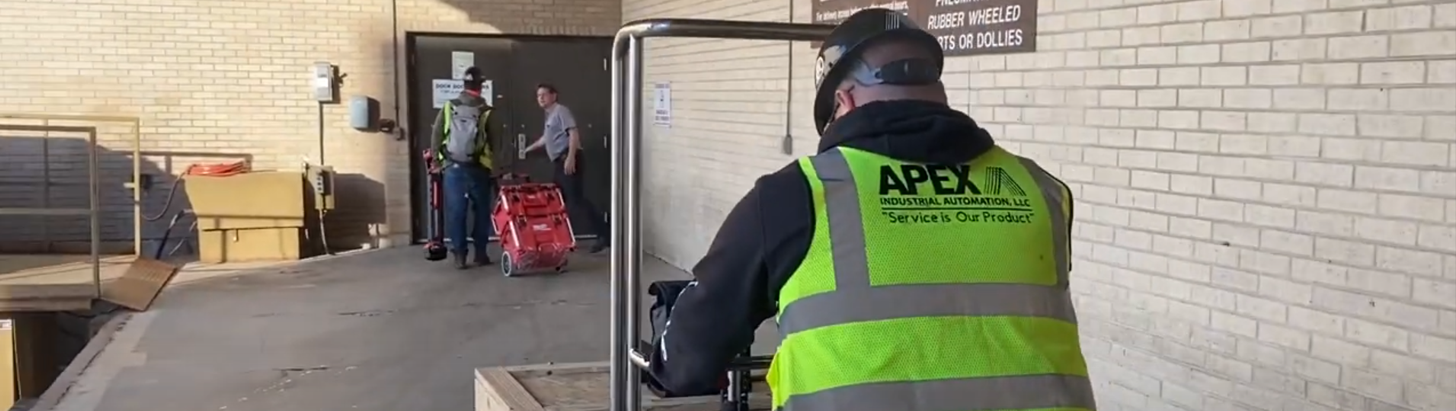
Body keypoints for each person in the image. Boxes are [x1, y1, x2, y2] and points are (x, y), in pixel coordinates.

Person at [642, 8, 1096, 411]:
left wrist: (664, 344)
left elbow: (687, 358)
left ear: (844, 102)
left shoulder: (798, 193)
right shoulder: (1040, 189)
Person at [523, 83, 609, 253]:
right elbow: (546, 138)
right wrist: (528, 149)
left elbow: (574, 133)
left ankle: (605, 234)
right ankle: (561, 237)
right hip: (559, 161)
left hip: (567, 158)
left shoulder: (561, 111)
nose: (540, 98)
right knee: (559, 199)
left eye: (544, 95)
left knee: (576, 200)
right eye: (538, 95)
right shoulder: (549, 116)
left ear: (554, 96)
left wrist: (570, 157)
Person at [431, 67, 499, 269]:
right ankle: (480, 254)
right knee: (481, 212)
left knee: (456, 212)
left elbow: (436, 135)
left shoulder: (449, 107)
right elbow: (496, 143)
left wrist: (437, 161)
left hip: (453, 167)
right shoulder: (487, 111)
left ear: (464, 85)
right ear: (481, 86)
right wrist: (499, 169)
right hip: (479, 168)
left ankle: (460, 255)